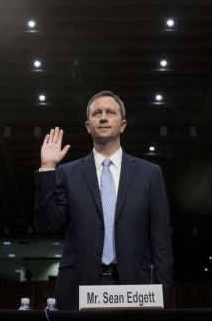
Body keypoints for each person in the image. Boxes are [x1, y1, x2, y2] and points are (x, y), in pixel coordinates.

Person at [35, 91, 174, 310]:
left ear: (123, 124)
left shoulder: (150, 173)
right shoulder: (68, 173)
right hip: (78, 287)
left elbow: (161, 241)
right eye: (97, 113)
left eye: (110, 112)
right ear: (88, 125)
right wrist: (48, 169)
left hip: (137, 288)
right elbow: (47, 226)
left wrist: (162, 294)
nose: (103, 117)